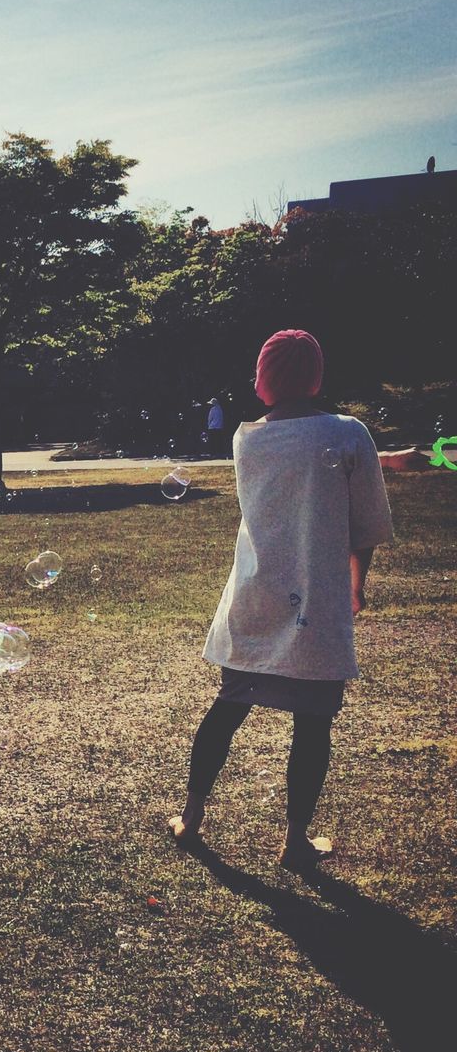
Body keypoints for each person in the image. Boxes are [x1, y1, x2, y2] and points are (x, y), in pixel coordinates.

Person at [169, 330, 394, 871]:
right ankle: (294, 841)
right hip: (316, 603)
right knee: (314, 724)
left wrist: (387, 458)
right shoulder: (349, 433)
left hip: (254, 597)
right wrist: (357, 584)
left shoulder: (246, 438)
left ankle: (192, 816)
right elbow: (363, 524)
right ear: (317, 378)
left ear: (263, 381)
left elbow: (308, 455)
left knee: (227, 710)